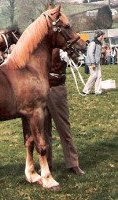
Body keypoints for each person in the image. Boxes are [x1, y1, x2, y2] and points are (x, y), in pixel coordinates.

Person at [44, 48, 85, 176]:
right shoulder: (40, 45)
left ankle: (73, 163)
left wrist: (71, 54)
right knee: (43, 131)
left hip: (57, 89)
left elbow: (76, 59)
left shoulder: (61, 49)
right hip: (40, 91)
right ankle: (46, 164)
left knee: (63, 128)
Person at [83, 30, 105, 95]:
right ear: (98, 36)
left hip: (97, 63)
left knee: (99, 76)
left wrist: (102, 52)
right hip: (92, 62)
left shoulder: (99, 43)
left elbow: (96, 53)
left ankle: (98, 91)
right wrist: (93, 63)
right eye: (102, 36)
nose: (103, 37)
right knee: (93, 76)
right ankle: (85, 90)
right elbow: (90, 53)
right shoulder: (93, 43)